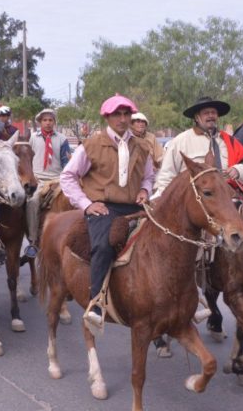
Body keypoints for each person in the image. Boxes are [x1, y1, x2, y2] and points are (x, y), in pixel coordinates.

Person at [59, 95, 154, 335]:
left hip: (134, 206)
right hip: (103, 207)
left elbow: (148, 177)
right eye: (117, 115)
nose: (123, 119)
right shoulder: (91, 145)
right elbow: (67, 176)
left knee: (166, 237)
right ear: (107, 117)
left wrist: (144, 190)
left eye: (126, 114)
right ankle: (96, 302)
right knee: (103, 246)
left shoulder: (143, 147)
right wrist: (86, 204)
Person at [154, 96, 243, 197]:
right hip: (193, 202)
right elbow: (166, 176)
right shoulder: (180, 141)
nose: (210, 116)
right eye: (206, 113)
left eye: (213, 112)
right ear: (197, 117)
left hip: (227, 199)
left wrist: (238, 170)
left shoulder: (230, 141)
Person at [24, 108, 72, 258]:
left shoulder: (62, 139)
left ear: (54, 122)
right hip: (37, 178)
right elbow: (26, 161)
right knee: (32, 202)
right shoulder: (32, 139)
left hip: (57, 179)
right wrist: (31, 177)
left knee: (71, 200)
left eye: (50, 120)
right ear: (40, 122)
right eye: (45, 120)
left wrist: (63, 179)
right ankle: (32, 241)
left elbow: (66, 163)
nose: (48, 123)